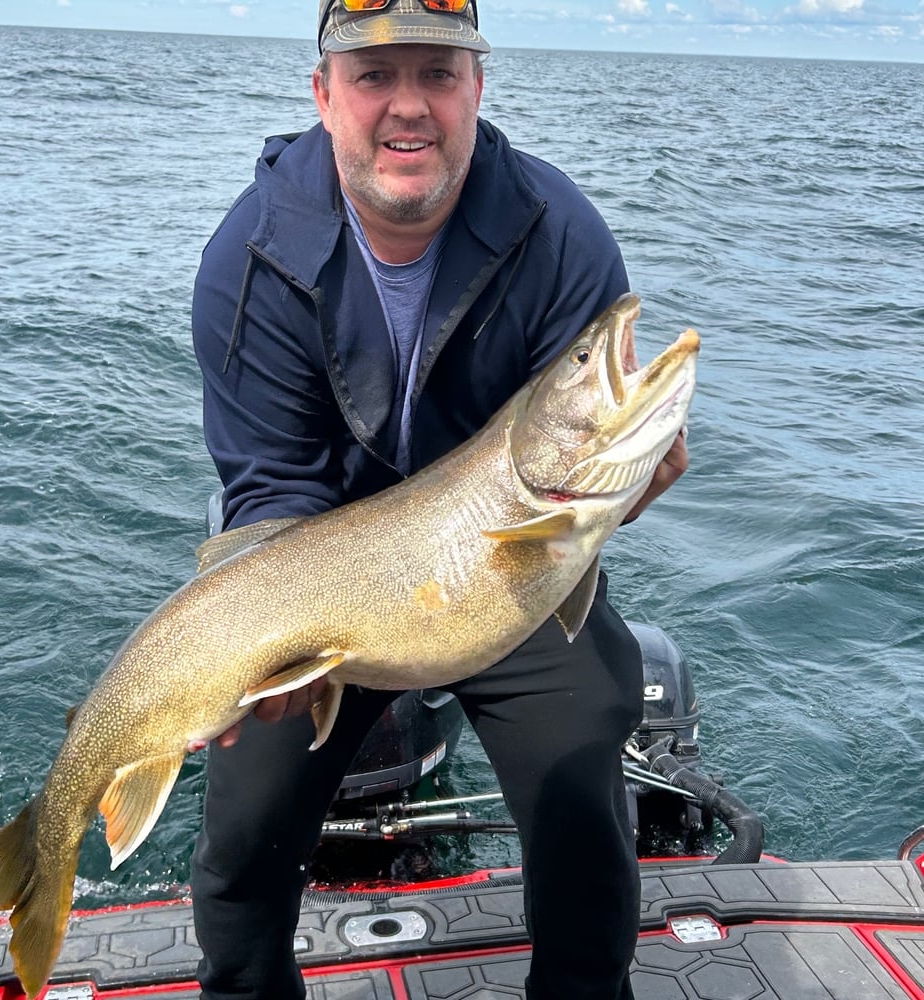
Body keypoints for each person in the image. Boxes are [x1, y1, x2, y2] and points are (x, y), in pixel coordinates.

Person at [190, 0, 689, 995]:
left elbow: (570, 475)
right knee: (243, 828)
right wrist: (280, 650)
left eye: (438, 74)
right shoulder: (246, 259)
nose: (407, 107)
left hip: (505, 565)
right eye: (374, 76)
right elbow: (271, 487)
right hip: (321, 578)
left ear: (477, 89)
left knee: (585, 784)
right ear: (323, 96)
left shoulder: (559, 233)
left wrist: (625, 485)